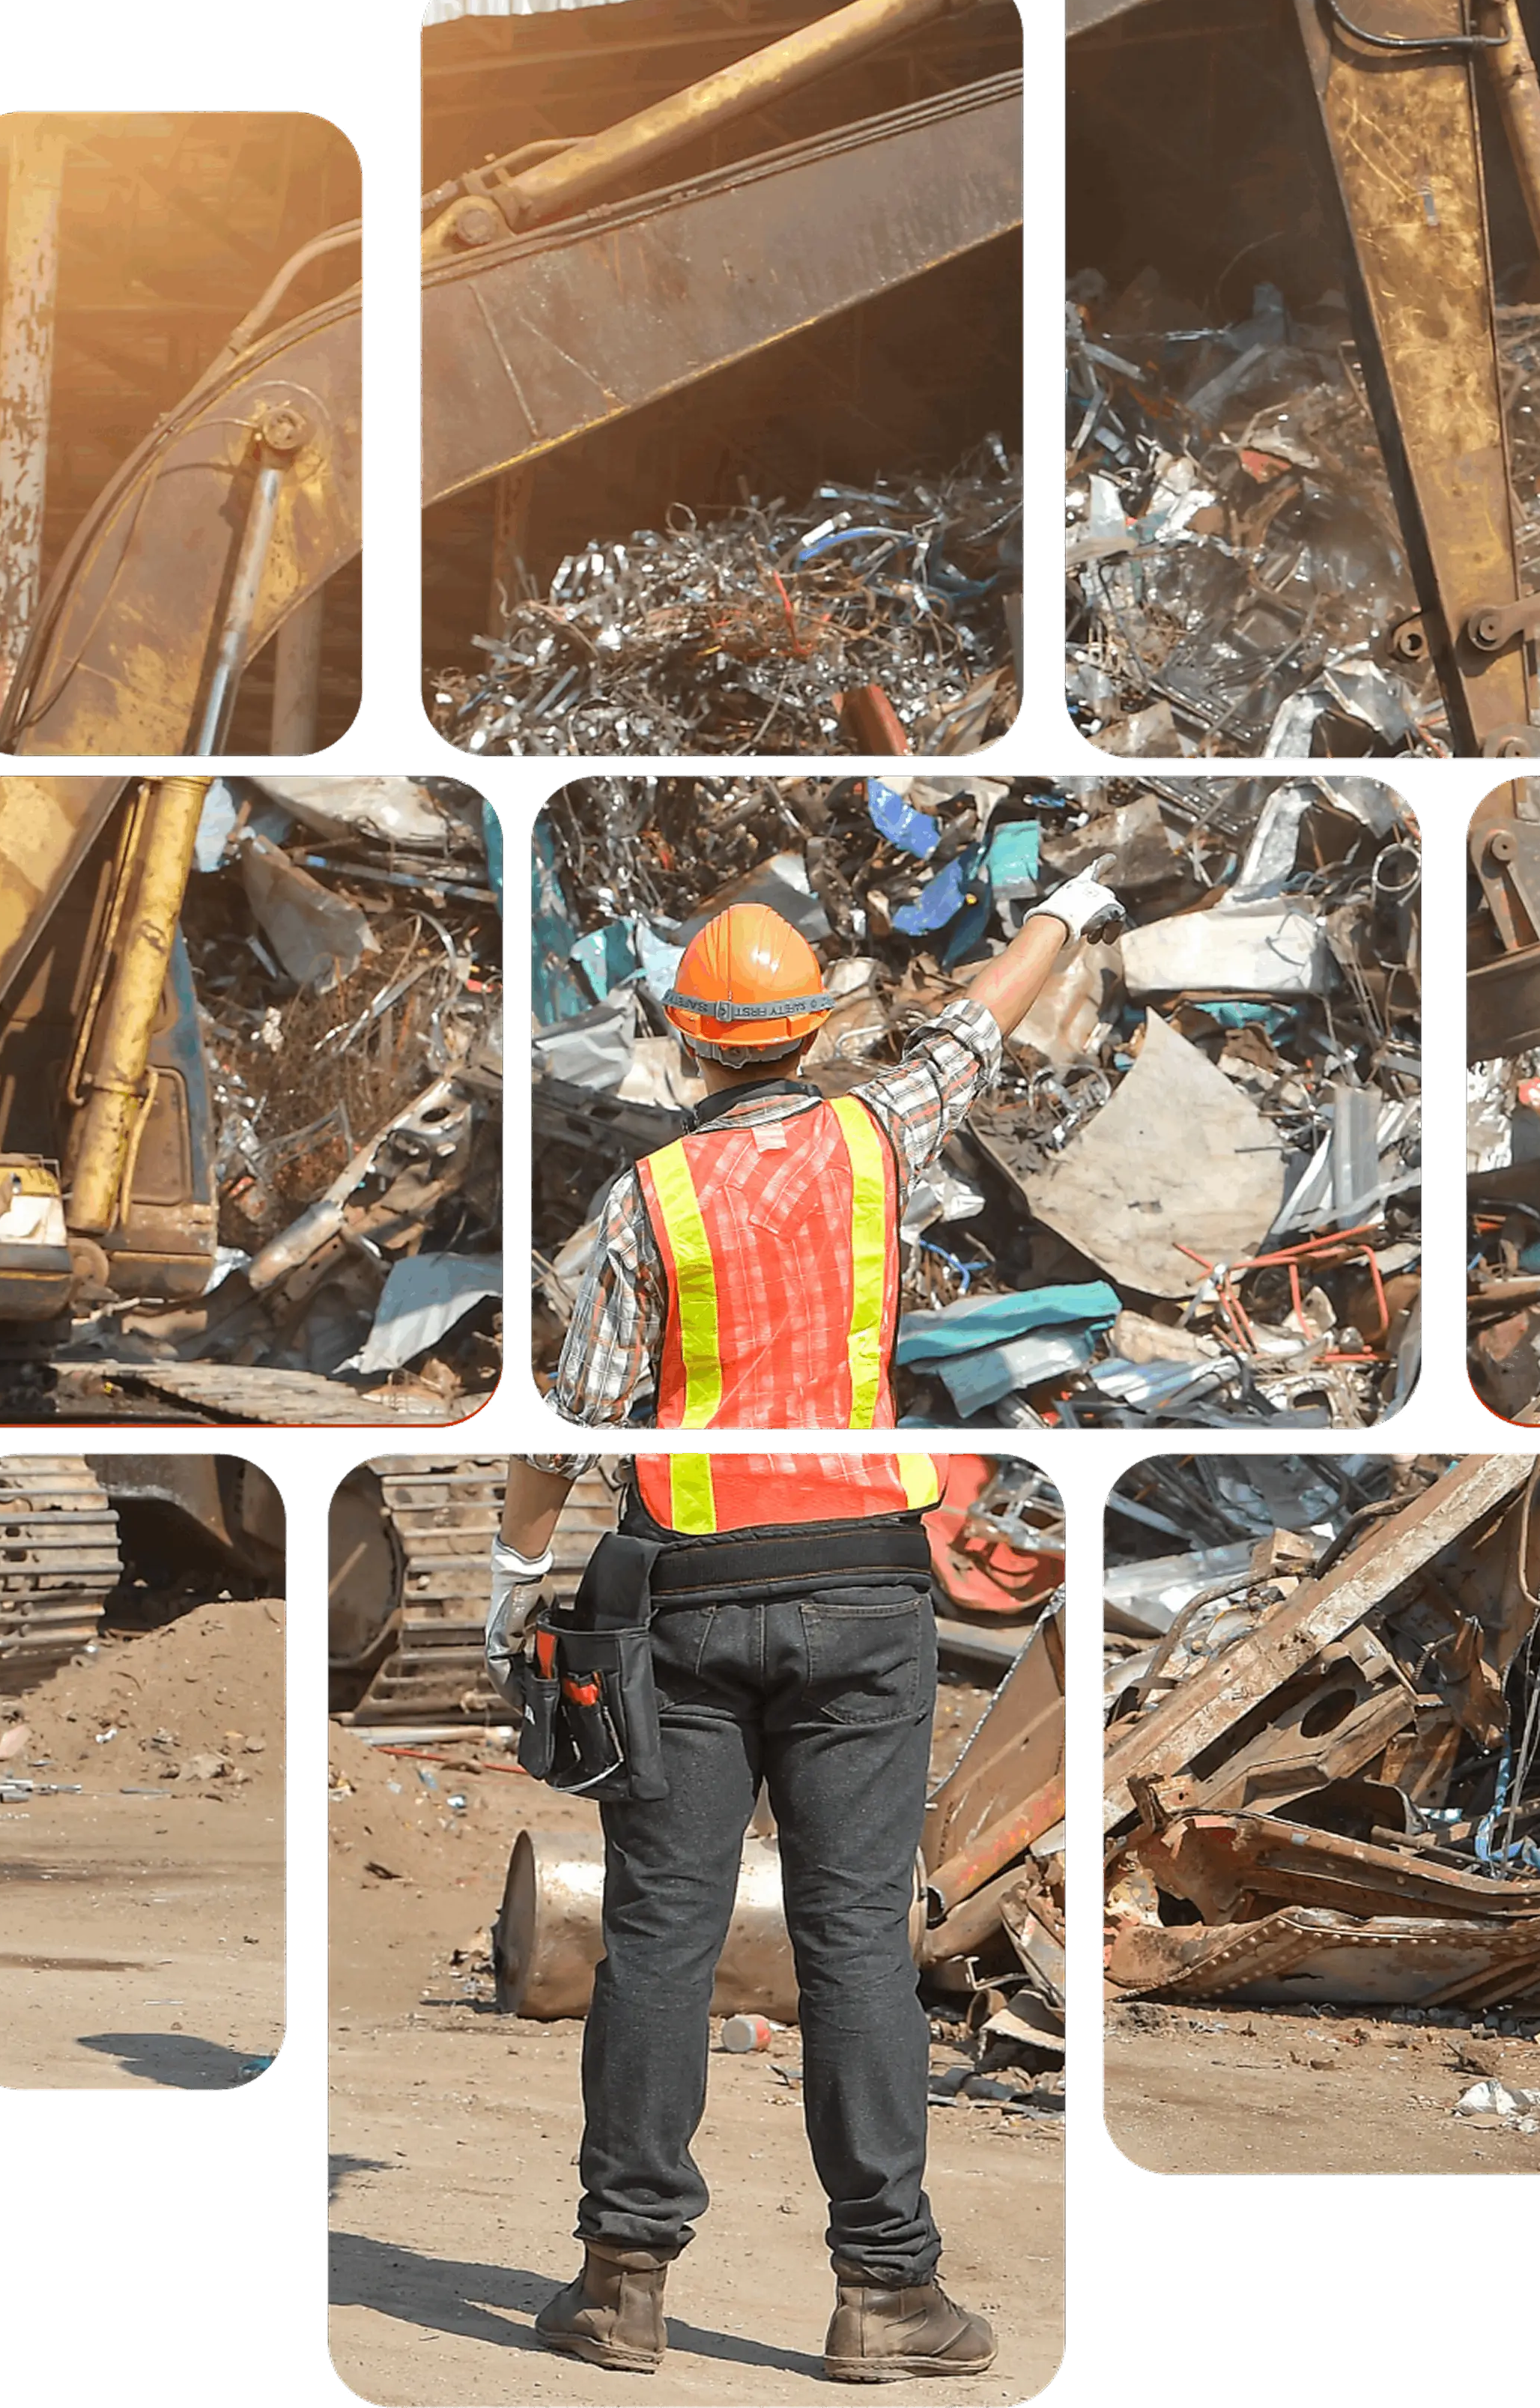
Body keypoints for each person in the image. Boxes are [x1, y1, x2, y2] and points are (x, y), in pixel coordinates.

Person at [492, 864, 1121, 2378]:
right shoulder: (875, 1134)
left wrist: (516, 1569)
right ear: (812, 1029)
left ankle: (622, 2284)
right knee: (853, 1940)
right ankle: (887, 2297)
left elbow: (572, 1418)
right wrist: (1069, 911)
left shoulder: (644, 1199)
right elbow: (977, 1025)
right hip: (864, 1595)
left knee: (660, 1933)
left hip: (686, 1598)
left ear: (689, 1040)